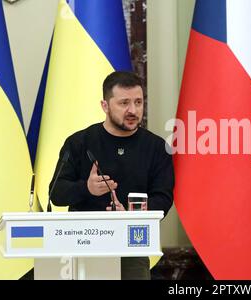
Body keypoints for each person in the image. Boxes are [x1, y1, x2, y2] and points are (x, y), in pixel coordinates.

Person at [49, 71, 174, 280]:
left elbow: (164, 198)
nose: (133, 110)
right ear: (105, 106)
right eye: (124, 103)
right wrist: (86, 188)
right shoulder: (79, 142)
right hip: (82, 243)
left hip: (131, 246)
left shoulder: (156, 147)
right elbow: (56, 194)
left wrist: (131, 213)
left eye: (138, 102)